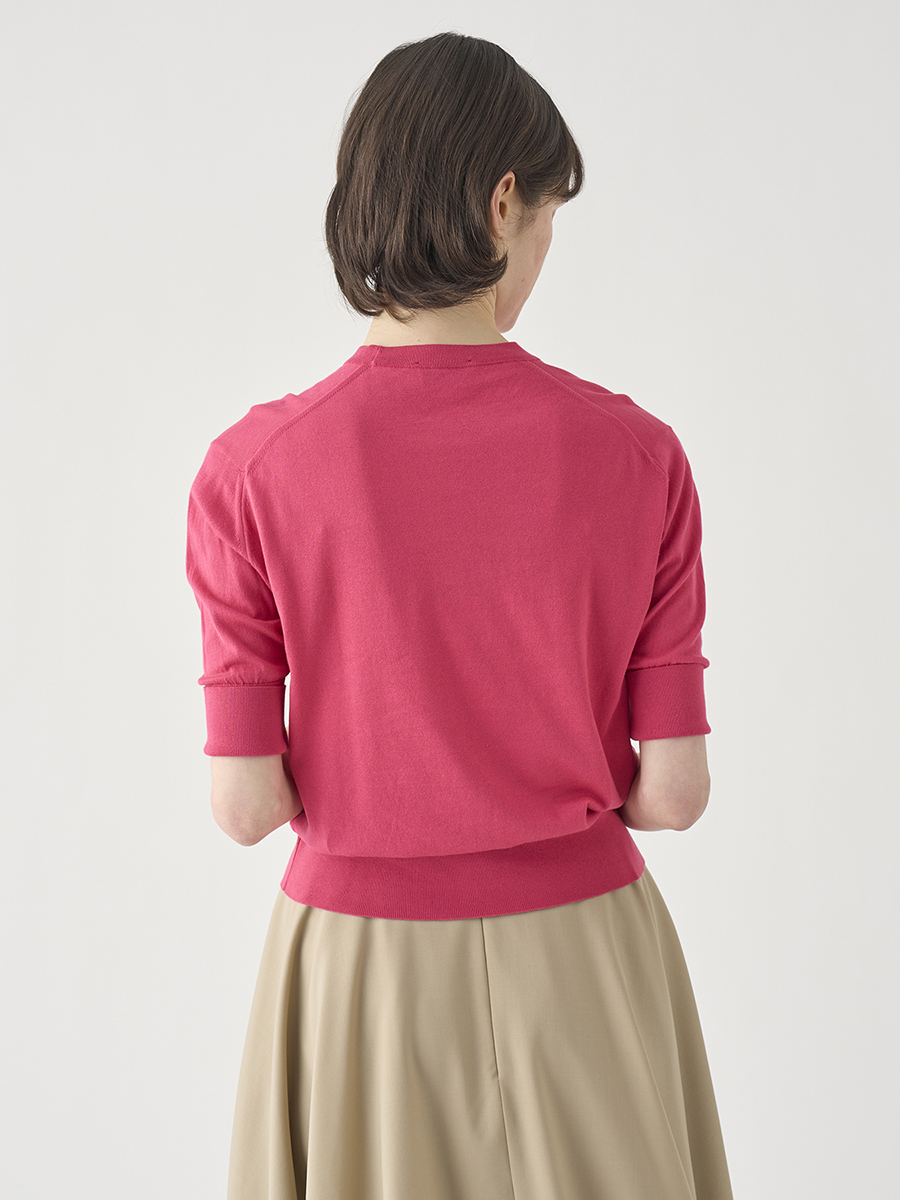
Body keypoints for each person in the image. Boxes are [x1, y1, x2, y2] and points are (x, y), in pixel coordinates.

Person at [185, 30, 734, 1200]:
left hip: (358, 976)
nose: (543, 256)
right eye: (547, 224)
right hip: (584, 953)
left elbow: (244, 806)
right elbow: (675, 793)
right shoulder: (641, 457)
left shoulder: (252, 473)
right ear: (501, 204)